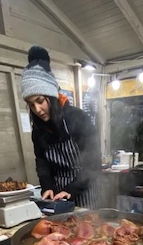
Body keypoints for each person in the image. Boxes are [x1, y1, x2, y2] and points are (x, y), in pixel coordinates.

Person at [21, 46, 101, 209]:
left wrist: (71, 189)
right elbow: (42, 162)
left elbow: (93, 163)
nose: (37, 109)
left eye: (40, 100)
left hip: (84, 189)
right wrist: (48, 186)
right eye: (31, 104)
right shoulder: (38, 127)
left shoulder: (77, 118)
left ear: (51, 96)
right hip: (58, 194)